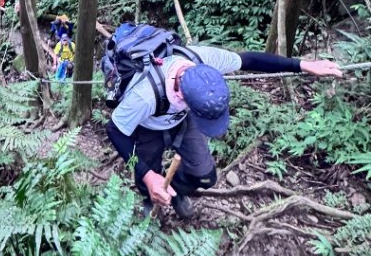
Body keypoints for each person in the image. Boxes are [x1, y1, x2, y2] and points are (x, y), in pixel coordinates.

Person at [105, 43, 343, 220]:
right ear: (181, 94)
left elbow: (248, 60)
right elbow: (115, 130)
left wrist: (302, 65)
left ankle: (174, 193)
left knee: (205, 176)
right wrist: (149, 176)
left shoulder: (205, 61)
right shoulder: (144, 97)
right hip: (149, 124)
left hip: (182, 119)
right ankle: (151, 197)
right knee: (146, 175)